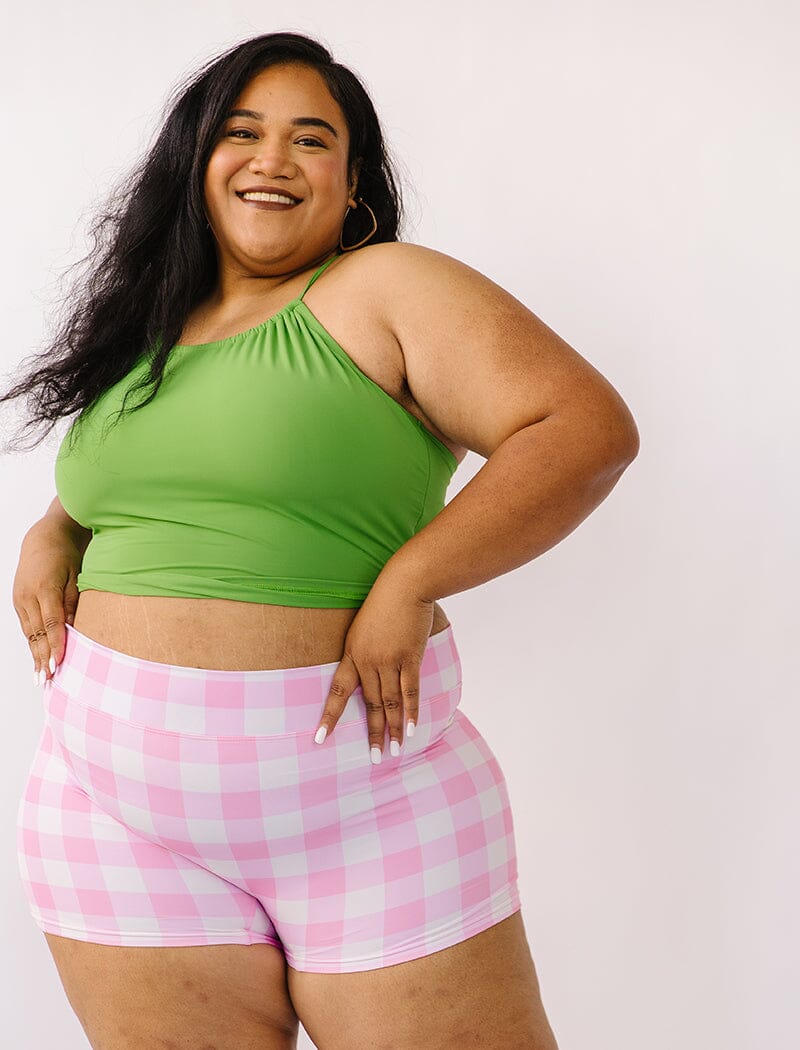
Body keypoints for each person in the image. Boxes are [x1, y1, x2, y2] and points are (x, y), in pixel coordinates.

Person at [6, 31, 638, 1050]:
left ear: (351, 188)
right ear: (196, 162)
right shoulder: (150, 329)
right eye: (243, 132)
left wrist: (410, 579)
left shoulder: (384, 289)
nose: (271, 159)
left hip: (361, 806)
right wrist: (56, 524)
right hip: (113, 813)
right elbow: (160, 480)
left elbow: (581, 430)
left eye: (311, 140)